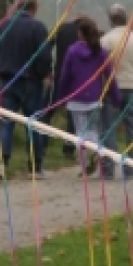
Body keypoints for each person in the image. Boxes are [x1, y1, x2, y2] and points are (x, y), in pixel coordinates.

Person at [0, 0, 53, 179]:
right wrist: (43, 73)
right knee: (33, 124)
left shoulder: (3, 26)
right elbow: (44, 55)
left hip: (7, 80)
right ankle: (35, 167)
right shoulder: (38, 27)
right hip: (31, 82)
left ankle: (1, 164)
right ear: (34, 7)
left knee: (6, 122)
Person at [57, 15, 121, 175]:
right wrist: (116, 97)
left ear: (80, 33)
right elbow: (110, 76)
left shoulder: (72, 51)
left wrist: (60, 97)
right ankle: (96, 153)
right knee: (93, 130)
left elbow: (65, 75)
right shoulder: (101, 53)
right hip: (94, 99)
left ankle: (85, 164)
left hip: (76, 99)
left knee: (80, 132)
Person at [100, 4, 133, 179]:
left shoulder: (106, 40)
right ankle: (131, 168)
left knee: (108, 127)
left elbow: (102, 67)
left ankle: (108, 168)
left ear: (110, 20)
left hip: (111, 88)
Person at [42, 17, 80, 159]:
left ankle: (42, 144)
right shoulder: (83, 32)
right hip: (76, 78)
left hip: (59, 74)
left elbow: (47, 45)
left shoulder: (61, 28)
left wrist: (47, 69)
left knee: (47, 110)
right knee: (73, 113)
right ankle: (69, 147)